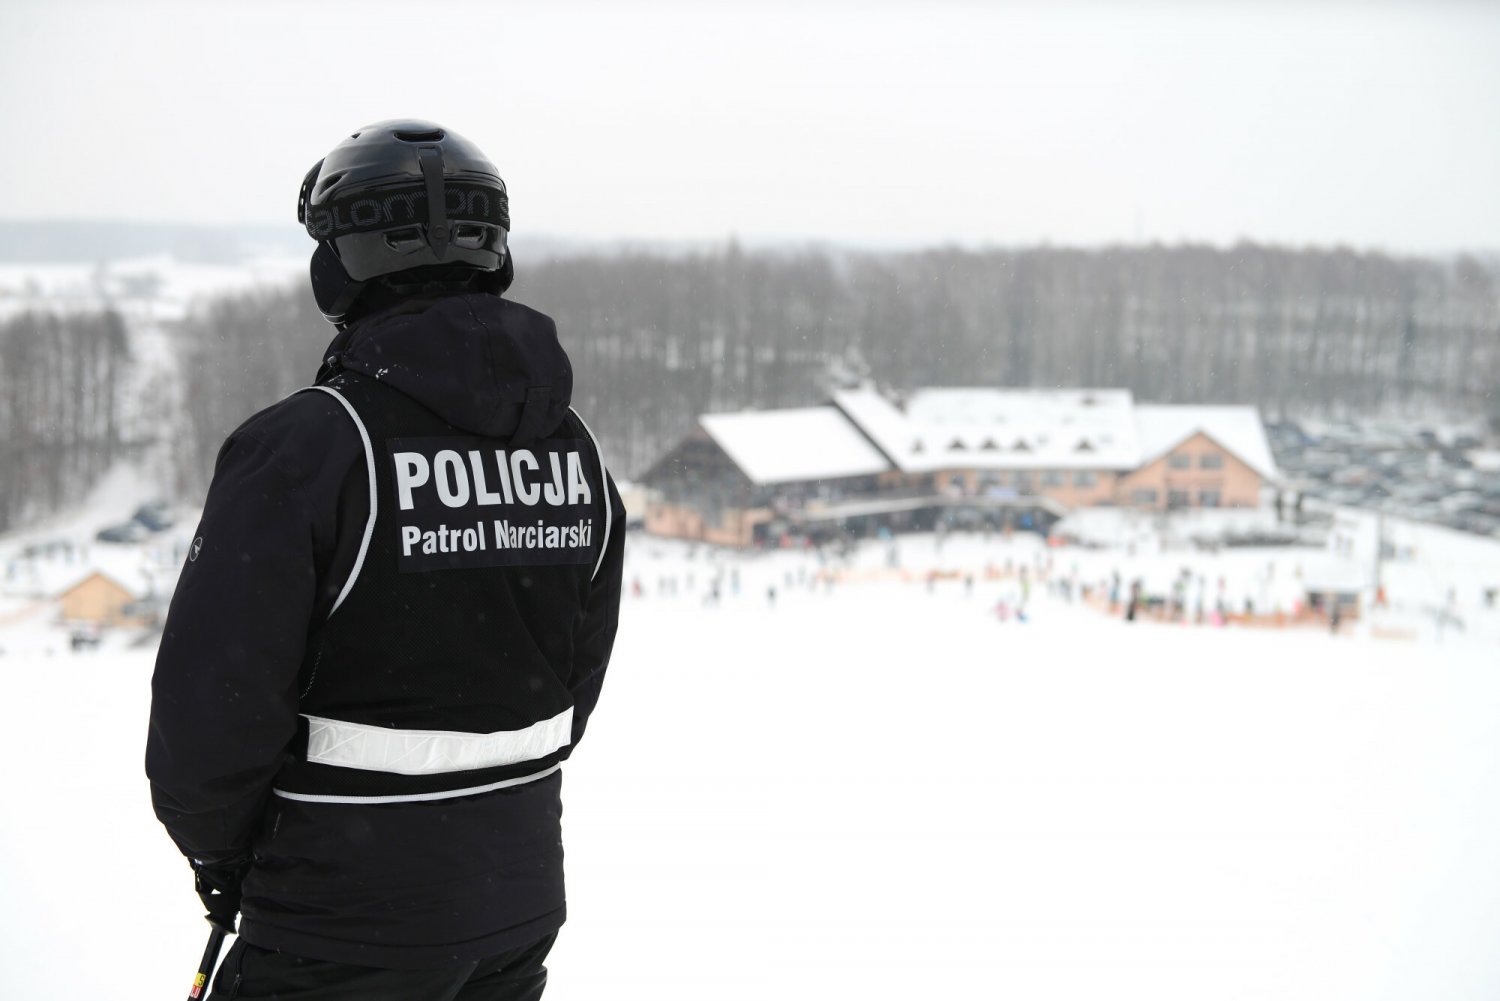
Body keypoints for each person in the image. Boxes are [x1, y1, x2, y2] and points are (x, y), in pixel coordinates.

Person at [145, 120, 625, 1000]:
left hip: (335, 924)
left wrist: (220, 853)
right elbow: (571, 685)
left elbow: (212, 710)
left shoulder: (308, 445)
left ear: (341, 264)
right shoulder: (576, 450)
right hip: (512, 911)